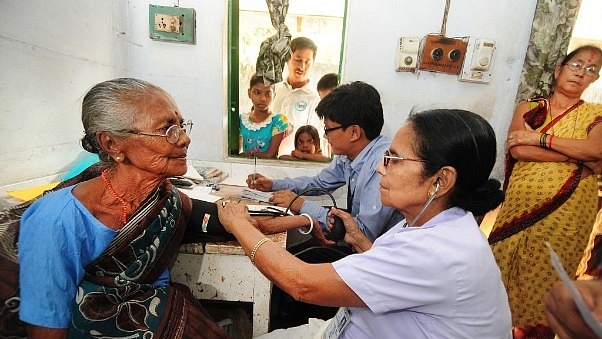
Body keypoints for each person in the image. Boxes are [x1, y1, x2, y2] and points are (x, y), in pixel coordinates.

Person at [11, 78, 318, 339]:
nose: (184, 138)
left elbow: (231, 220)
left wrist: (303, 220)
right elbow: (46, 330)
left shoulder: (164, 199)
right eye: (168, 128)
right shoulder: (57, 220)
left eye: (182, 125)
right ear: (112, 144)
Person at [220, 108, 512, 339]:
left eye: (394, 159)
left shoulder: (440, 251)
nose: (381, 167)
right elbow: (393, 270)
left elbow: (302, 284)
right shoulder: (430, 220)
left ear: (440, 180)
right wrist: (359, 239)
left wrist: (239, 223)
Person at [488, 45, 602, 338]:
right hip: (518, 208)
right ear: (558, 70)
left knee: (549, 276)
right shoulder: (530, 108)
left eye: (591, 70)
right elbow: (518, 146)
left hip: (568, 215)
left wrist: (540, 138)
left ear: (594, 79)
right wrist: (577, 157)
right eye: (576, 65)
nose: (581, 73)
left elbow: (597, 150)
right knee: (499, 269)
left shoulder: (596, 114)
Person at [248, 81, 404, 251]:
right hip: (357, 247)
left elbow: (363, 235)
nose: (324, 135)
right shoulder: (348, 155)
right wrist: (273, 184)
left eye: (328, 129)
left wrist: (301, 205)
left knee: (285, 261)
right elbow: (319, 183)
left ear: (354, 133)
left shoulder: (382, 165)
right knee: (288, 254)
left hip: (375, 257)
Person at [273, 37, 324, 157]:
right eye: (298, 60)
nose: (302, 66)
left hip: (295, 163)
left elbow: (316, 140)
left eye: (307, 62)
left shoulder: (314, 100)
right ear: (287, 59)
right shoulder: (274, 89)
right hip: (266, 159)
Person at [239, 73, 291, 158]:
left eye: (268, 94)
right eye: (257, 92)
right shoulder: (241, 120)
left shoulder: (279, 121)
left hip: (268, 169)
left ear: (274, 96)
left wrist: (247, 155)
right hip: (245, 168)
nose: (263, 98)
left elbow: (270, 155)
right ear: (249, 93)